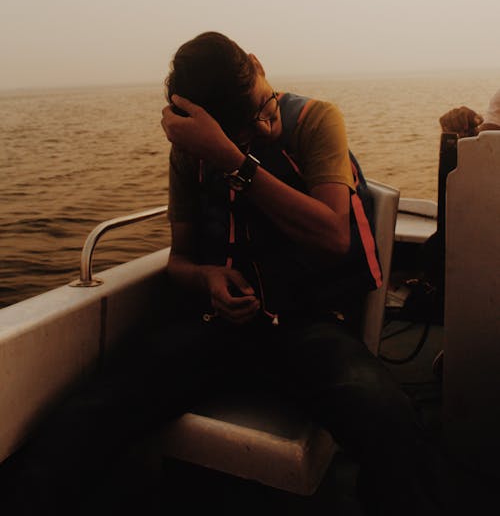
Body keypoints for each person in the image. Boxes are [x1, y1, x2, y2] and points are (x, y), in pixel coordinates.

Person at [160, 31, 444, 515]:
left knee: (390, 421)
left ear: (257, 62)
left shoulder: (316, 121)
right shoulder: (191, 154)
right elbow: (178, 262)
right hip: (219, 329)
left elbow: (335, 236)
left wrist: (235, 158)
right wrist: (207, 278)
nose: (262, 125)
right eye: (241, 131)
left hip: (310, 326)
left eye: (261, 106)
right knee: (99, 404)